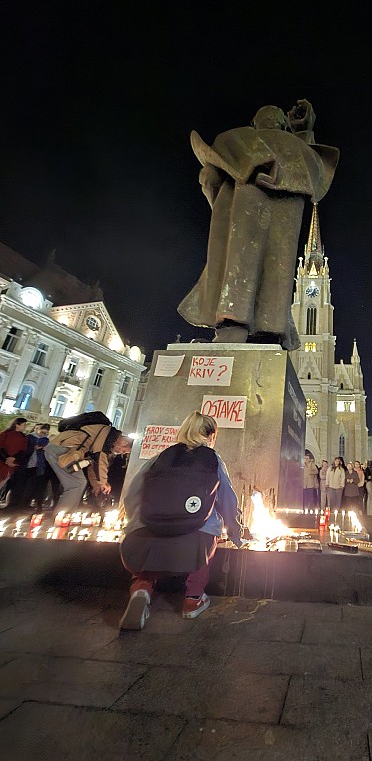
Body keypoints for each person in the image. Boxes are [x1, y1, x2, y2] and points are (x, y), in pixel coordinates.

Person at [178, 101, 339, 350]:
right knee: (277, 270)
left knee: (240, 268)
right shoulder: (295, 151)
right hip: (282, 227)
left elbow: (210, 177)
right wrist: (304, 132)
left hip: (245, 221)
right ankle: (270, 333)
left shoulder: (237, 140)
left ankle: (232, 331)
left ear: (254, 123)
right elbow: (316, 171)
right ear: (285, 125)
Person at [119, 411, 243, 629]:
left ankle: (142, 589)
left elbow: (132, 493)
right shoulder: (212, 459)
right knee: (209, 529)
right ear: (211, 435)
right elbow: (227, 499)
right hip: (196, 536)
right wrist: (234, 531)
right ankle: (193, 598)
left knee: (149, 555)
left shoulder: (161, 456)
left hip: (149, 530)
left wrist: (136, 520)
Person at [46, 423, 133, 514]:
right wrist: (103, 483)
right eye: (123, 451)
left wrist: (96, 485)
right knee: (77, 484)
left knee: (78, 483)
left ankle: (64, 516)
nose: (119, 453)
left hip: (63, 450)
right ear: (124, 443)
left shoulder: (106, 439)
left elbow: (93, 463)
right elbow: (99, 459)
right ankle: (62, 517)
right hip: (61, 448)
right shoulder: (108, 436)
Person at [0, 417, 29, 508]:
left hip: (12, 463)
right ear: (17, 425)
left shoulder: (23, 437)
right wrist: (6, 458)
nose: (25, 427)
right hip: (2, 461)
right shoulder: (5, 434)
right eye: (24, 425)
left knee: (3, 482)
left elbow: (23, 451)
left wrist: (14, 458)